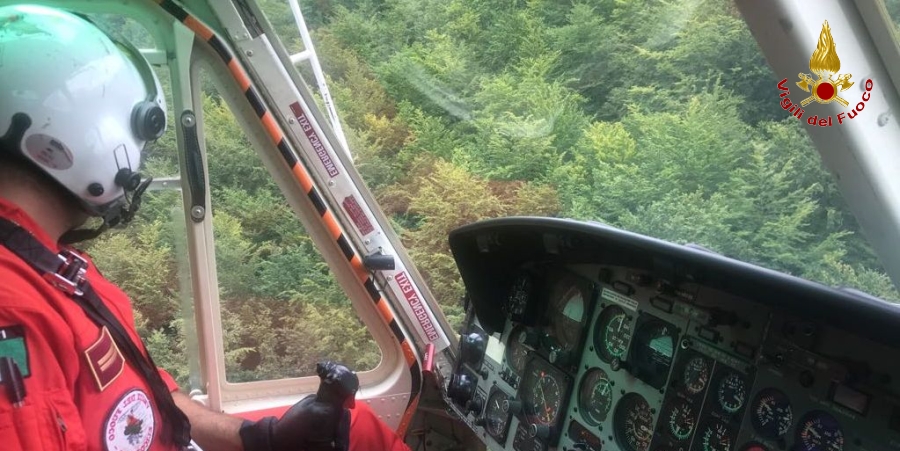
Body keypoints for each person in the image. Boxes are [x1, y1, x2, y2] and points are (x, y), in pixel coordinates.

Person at [0, 5, 411, 451]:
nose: (135, 161)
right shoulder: (14, 310)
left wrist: (264, 439)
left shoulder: (59, 268)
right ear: (81, 134)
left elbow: (157, 403)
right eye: (138, 136)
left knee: (359, 430)